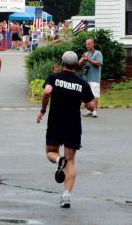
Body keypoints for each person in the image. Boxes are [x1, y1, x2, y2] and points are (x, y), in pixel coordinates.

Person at [37, 51, 95, 208]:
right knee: (71, 161)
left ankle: (58, 160)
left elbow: (47, 91)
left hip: (56, 122)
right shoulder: (82, 83)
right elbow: (91, 106)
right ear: (76, 64)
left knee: (50, 152)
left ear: (62, 62)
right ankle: (66, 196)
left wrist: (43, 110)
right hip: (73, 124)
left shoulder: (53, 78)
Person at [79, 39, 103, 118]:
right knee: (87, 95)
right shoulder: (85, 54)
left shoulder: (98, 53)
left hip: (94, 78)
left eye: (88, 44)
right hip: (86, 78)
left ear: (93, 44)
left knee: (95, 95)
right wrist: (83, 59)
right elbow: (79, 64)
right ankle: (89, 110)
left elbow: (98, 63)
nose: (87, 46)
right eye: (86, 44)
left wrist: (88, 60)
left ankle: (94, 111)